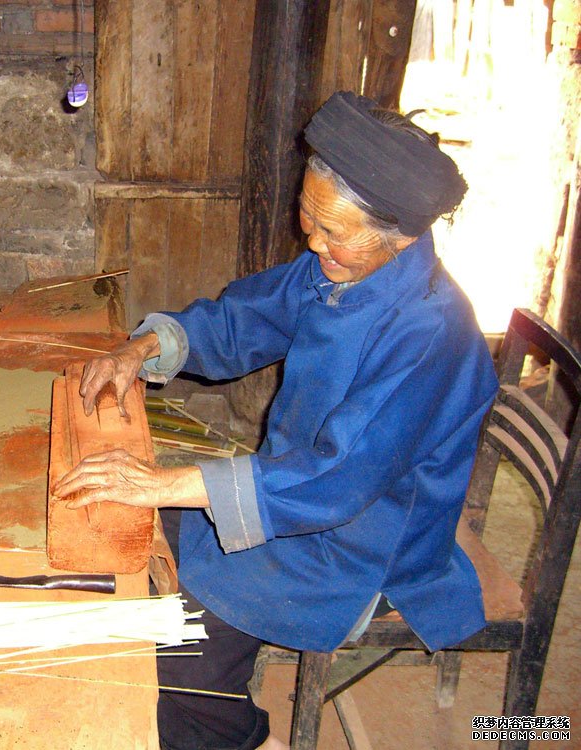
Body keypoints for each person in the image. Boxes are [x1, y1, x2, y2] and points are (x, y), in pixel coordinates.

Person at [52, 91, 499, 750]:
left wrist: (165, 482)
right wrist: (141, 348)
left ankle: (245, 737)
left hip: (361, 543)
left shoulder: (432, 335)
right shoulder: (340, 271)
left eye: (333, 232)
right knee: (144, 535)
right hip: (292, 496)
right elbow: (247, 318)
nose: (312, 242)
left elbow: (337, 479)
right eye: (308, 218)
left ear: (402, 235)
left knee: (188, 648)